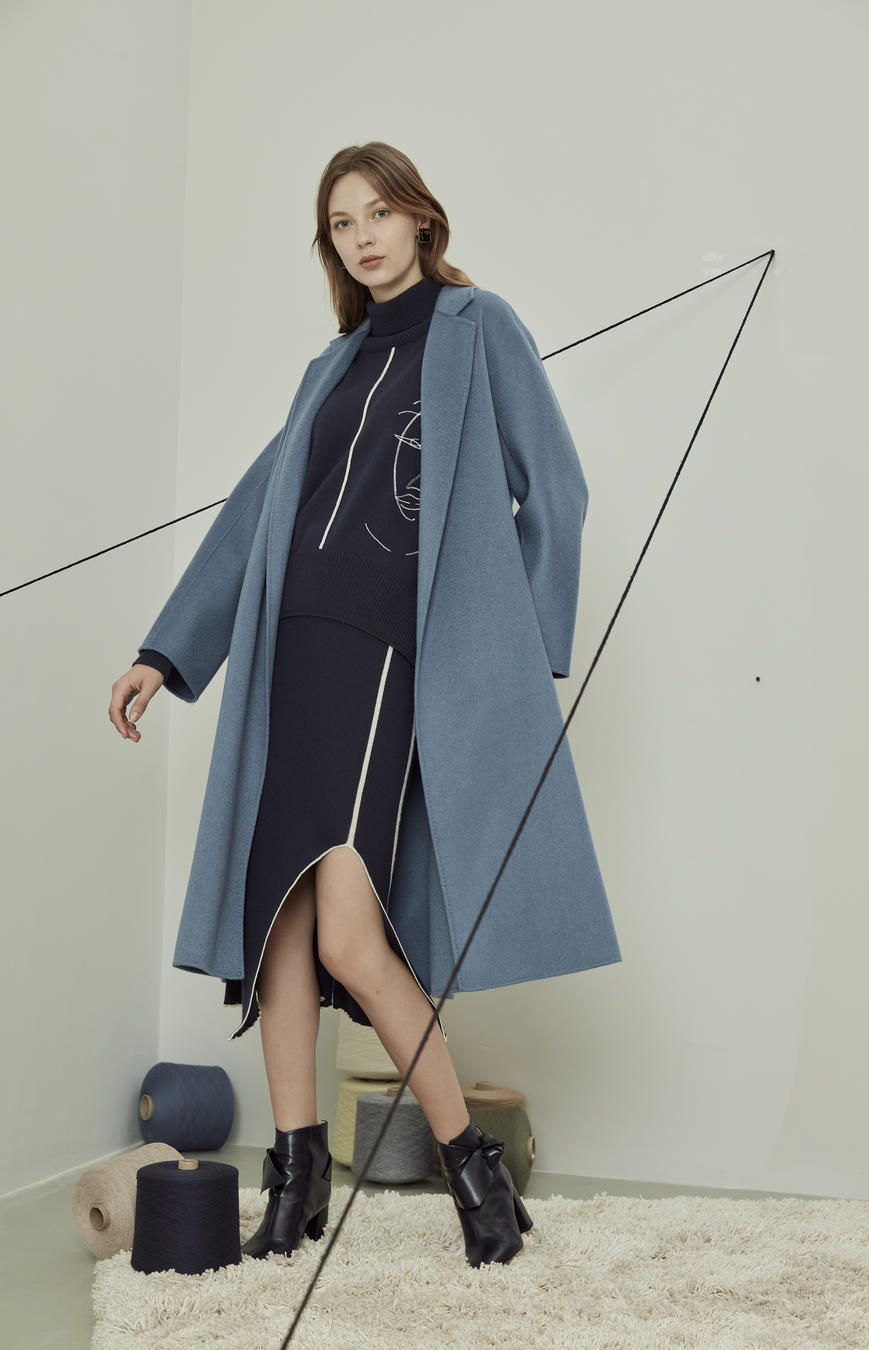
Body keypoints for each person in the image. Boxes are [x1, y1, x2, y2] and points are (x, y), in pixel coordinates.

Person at [108, 141, 617, 1269]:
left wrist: (515, 652)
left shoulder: (478, 327)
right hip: (287, 654)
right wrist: (165, 652)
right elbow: (255, 516)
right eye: (342, 224)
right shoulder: (330, 367)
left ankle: (470, 1166)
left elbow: (558, 487)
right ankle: (295, 1184)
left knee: (347, 930)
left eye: (379, 212)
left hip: (383, 655)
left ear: (422, 218)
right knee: (278, 933)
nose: (364, 236)